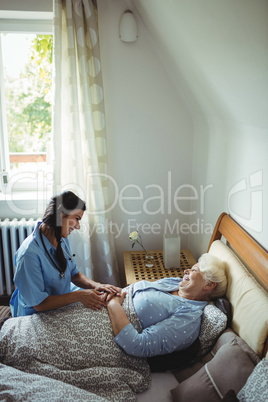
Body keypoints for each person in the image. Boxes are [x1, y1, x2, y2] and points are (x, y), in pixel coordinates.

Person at [10, 191, 121, 317]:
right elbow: (39, 304)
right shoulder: (28, 255)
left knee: (104, 300)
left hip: (63, 295)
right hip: (37, 311)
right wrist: (79, 296)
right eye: (77, 219)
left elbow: (75, 275)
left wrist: (98, 286)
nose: (78, 226)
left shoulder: (61, 238)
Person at [107, 253, 227, 357]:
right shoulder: (175, 282)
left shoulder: (189, 318)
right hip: (103, 304)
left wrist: (113, 304)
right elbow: (131, 291)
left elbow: (137, 345)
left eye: (194, 270)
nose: (186, 271)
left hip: (107, 332)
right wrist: (114, 292)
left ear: (209, 285)